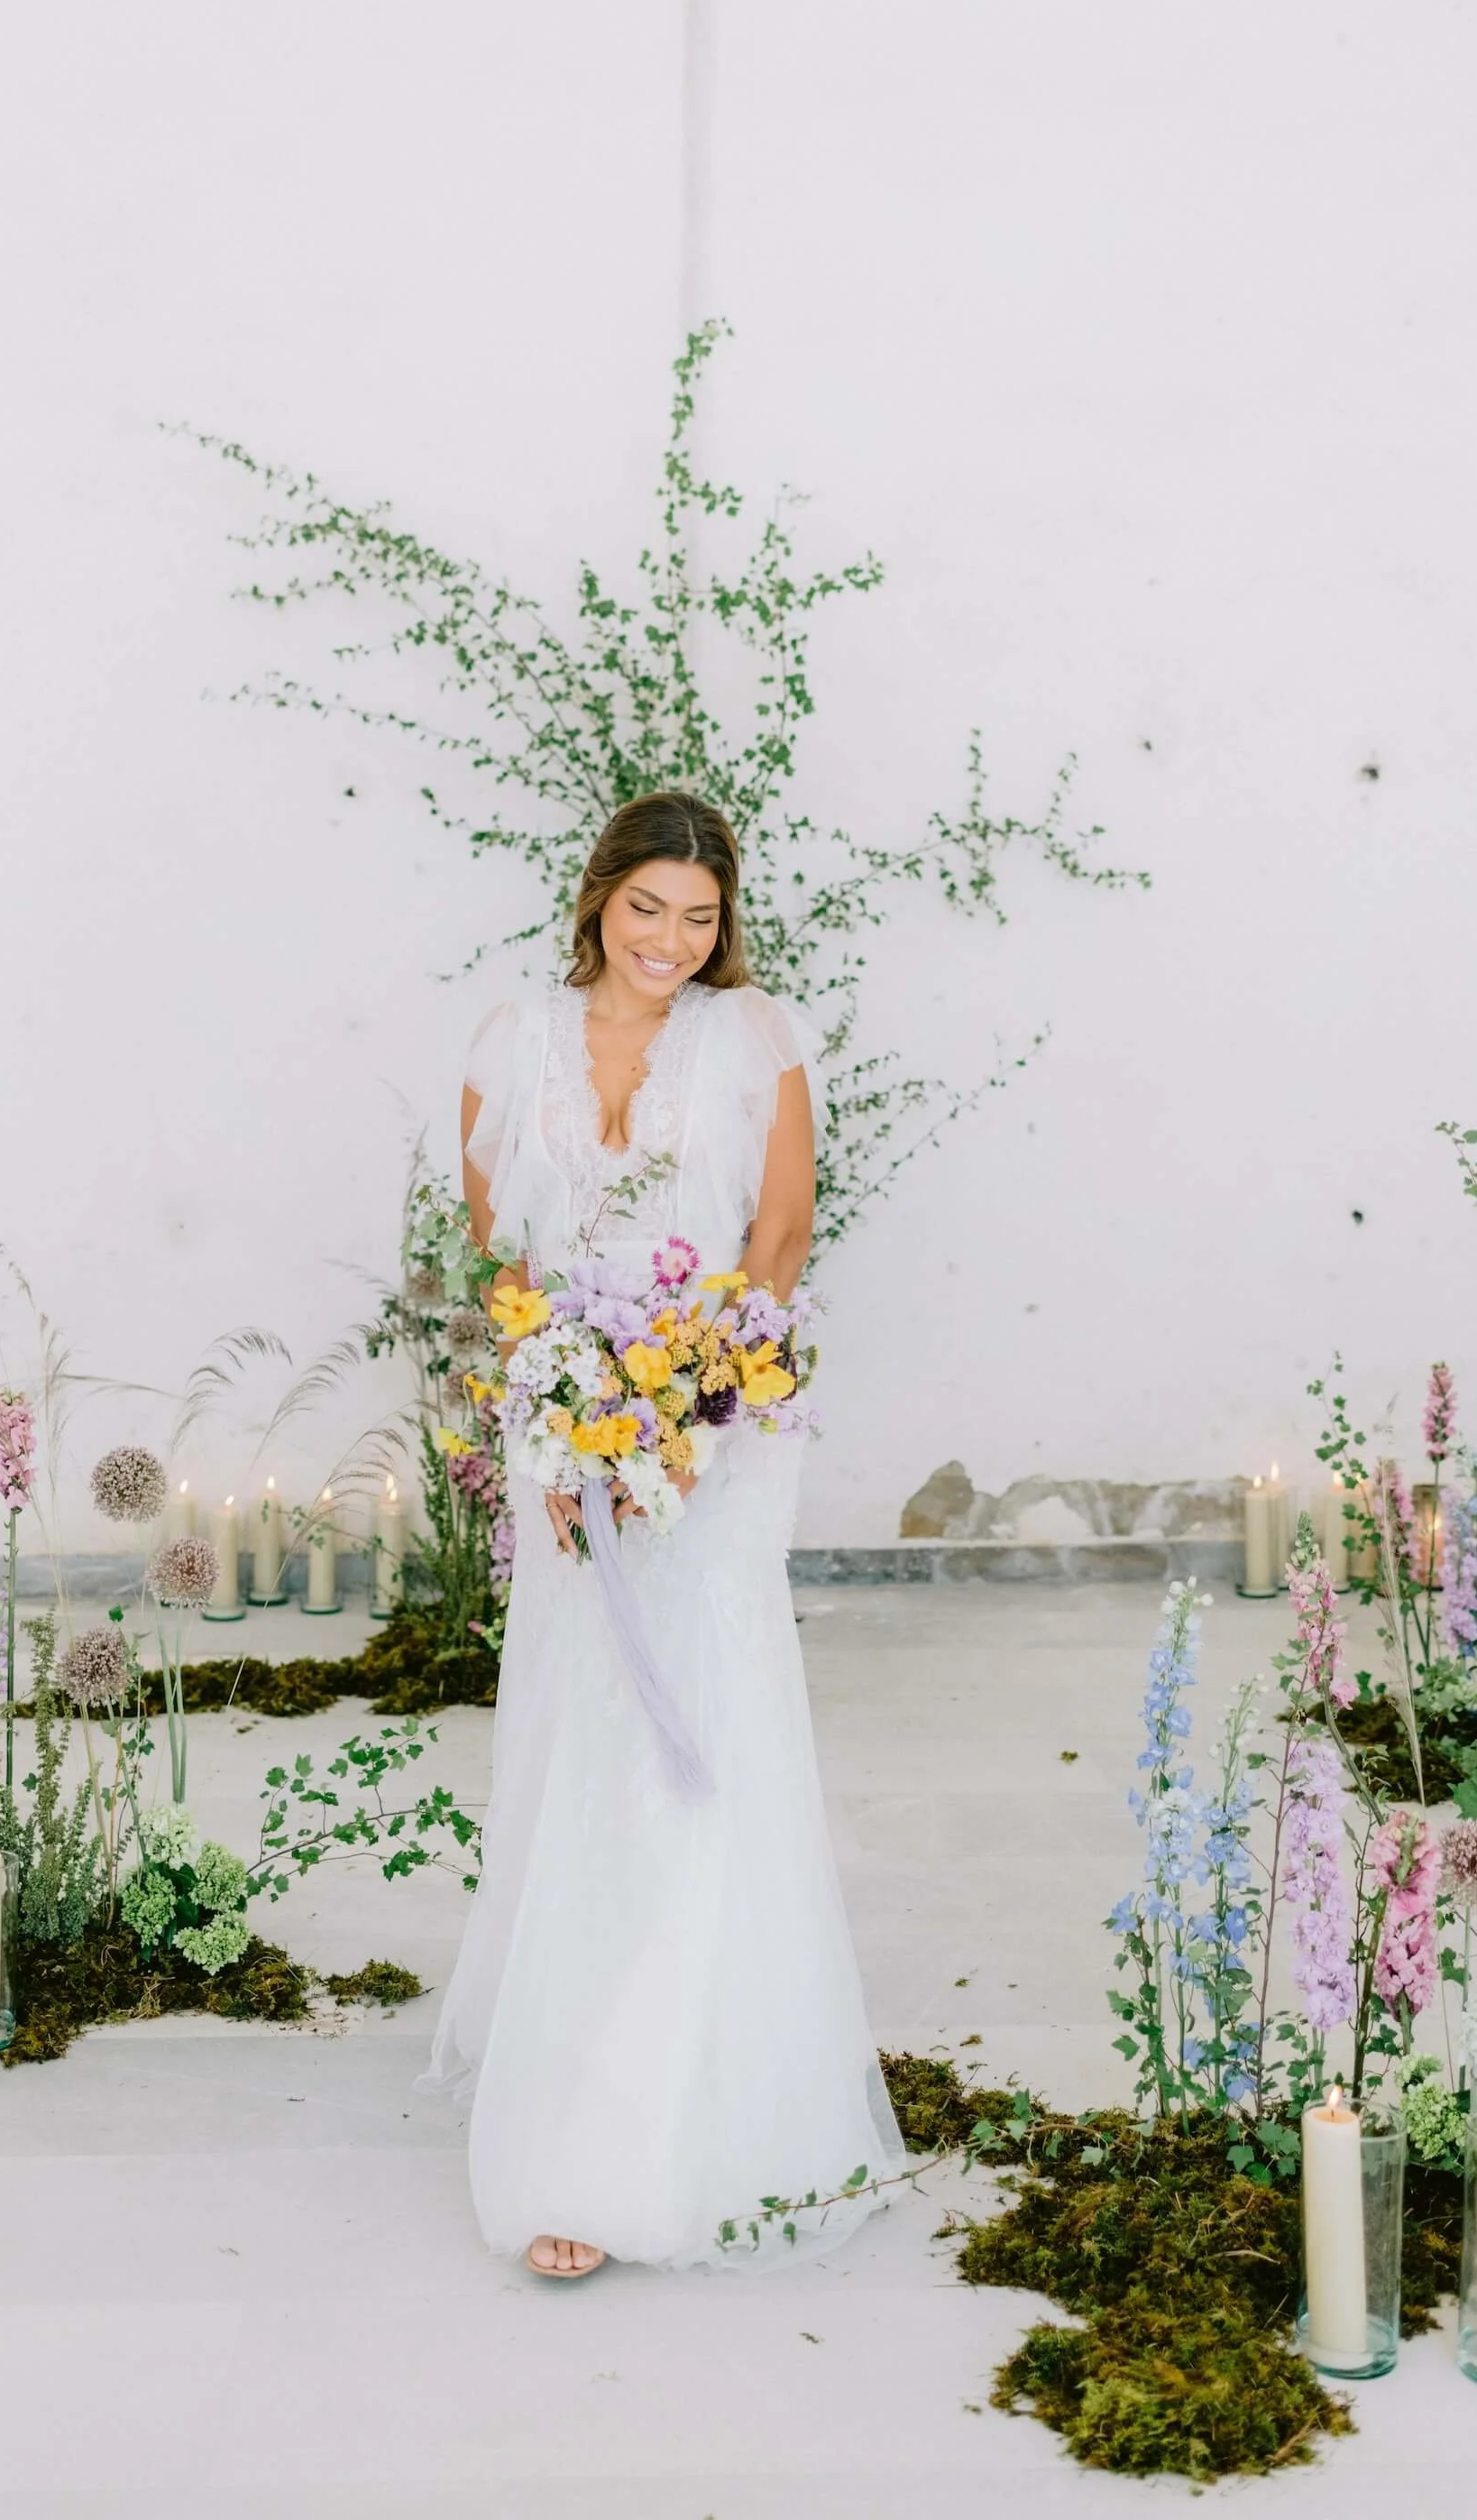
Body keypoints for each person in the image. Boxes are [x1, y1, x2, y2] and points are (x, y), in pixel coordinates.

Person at [418, 790, 904, 2278]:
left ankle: (687, 2109)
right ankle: (570, 2092)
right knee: (586, 1728)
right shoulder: (511, 1041)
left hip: (720, 1421)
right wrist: (565, 1421)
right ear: (599, 899)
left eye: (700, 921)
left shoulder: (759, 1041)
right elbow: (495, 1250)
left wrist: (679, 1416)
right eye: (649, 912)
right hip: (562, 1424)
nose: (671, 946)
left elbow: (781, 1235)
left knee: (702, 1723)